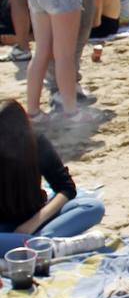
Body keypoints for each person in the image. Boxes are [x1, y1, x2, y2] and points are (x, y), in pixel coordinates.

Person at [0, 100, 106, 253]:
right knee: (19, 240)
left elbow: (66, 187)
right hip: (3, 227)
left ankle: (36, 245)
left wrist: (32, 224)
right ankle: (42, 246)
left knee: (93, 207)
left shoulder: (36, 143)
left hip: (36, 219)